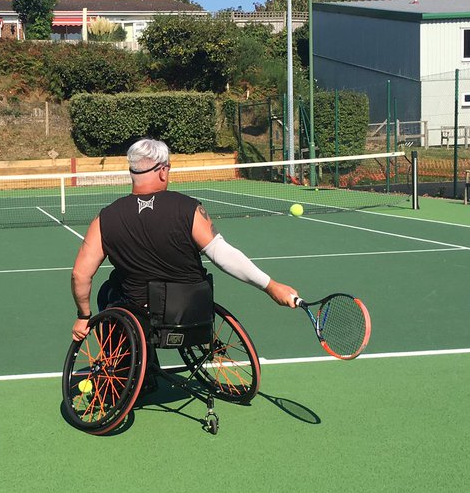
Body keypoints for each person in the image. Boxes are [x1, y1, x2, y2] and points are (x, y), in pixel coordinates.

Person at [71, 139, 300, 361]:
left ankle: (125, 366)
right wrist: (271, 286)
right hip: (191, 310)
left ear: (132, 172)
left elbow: (80, 275)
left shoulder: (105, 219)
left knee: (108, 292)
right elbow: (223, 254)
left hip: (141, 315)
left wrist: (84, 317)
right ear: (162, 171)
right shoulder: (189, 209)